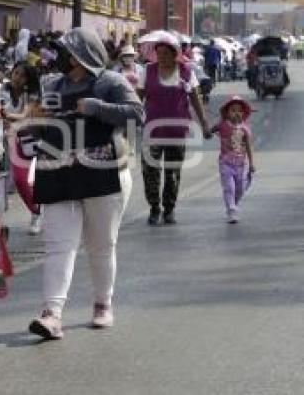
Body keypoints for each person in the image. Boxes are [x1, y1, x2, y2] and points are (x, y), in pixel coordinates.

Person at [27, 27, 143, 340]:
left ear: (82, 55)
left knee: (100, 246)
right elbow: (37, 127)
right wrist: (34, 118)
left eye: (66, 51)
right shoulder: (51, 84)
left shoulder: (111, 82)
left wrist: (97, 108)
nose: (59, 57)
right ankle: (52, 314)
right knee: (58, 246)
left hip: (103, 172)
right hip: (56, 170)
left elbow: (137, 114)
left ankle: (103, 304)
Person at [137, 32, 211, 225]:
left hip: (177, 131)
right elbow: (137, 98)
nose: (161, 56)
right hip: (152, 130)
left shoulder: (186, 72)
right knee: (150, 171)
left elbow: (196, 98)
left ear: (174, 53)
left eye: (165, 53)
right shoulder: (148, 71)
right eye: (158, 52)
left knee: (172, 172)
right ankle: (154, 208)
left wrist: (204, 123)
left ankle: (169, 209)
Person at [2, 63, 42, 235]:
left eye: (21, 75)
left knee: (25, 180)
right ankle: (36, 211)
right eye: (15, 72)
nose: (16, 77)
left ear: (28, 79)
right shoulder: (3, 90)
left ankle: (37, 212)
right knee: (13, 182)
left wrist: (4, 114)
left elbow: (24, 116)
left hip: (30, 141)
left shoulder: (32, 95)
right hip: (8, 140)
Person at [210, 96, 255, 224]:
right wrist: (208, 131)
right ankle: (231, 209)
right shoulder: (223, 125)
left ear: (243, 113)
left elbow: (248, 147)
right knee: (229, 187)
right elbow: (210, 131)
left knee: (239, 189)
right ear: (227, 113)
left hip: (241, 165)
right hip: (226, 163)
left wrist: (251, 163)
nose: (236, 113)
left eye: (239, 111)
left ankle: (233, 204)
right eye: (233, 110)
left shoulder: (245, 129)